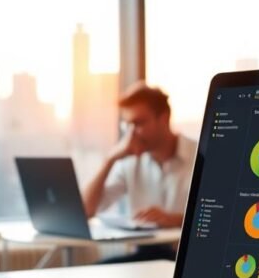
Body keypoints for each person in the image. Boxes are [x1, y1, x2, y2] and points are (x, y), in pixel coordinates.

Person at [82, 83, 197, 261]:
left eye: (139, 123)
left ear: (164, 118)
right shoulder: (130, 161)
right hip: (147, 256)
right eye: (127, 125)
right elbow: (87, 210)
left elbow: (222, 219)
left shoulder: (200, 155)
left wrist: (174, 219)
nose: (132, 134)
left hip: (189, 257)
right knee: (95, 272)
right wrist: (110, 160)